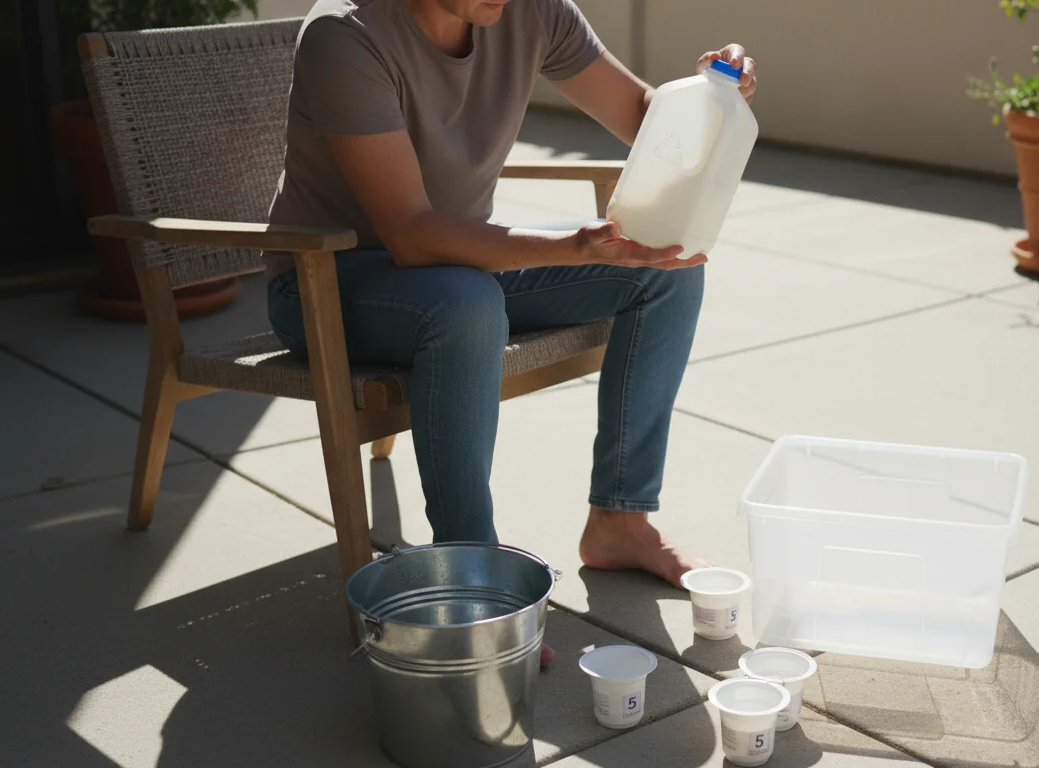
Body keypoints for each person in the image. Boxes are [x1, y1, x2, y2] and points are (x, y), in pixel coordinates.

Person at [265, 0, 759, 634]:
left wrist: (712, 94)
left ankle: (620, 521)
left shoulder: (532, 11)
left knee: (664, 264)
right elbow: (411, 235)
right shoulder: (345, 36)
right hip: (327, 283)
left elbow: (646, 122)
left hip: (460, 269)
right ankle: (471, 577)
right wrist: (572, 246)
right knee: (468, 305)